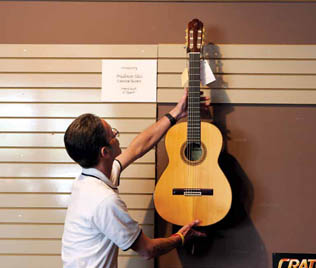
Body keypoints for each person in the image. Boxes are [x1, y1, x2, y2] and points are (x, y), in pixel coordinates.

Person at [61, 90, 207, 268]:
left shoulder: (92, 178)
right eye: (113, 135)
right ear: (104, 152)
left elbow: (137, 148)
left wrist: (177, 113)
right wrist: (181, 237)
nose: (116, 136)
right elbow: (148, 250)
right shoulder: (103, 200)